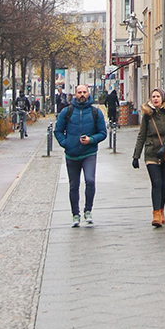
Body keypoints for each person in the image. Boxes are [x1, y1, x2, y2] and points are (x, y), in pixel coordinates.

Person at [54, 84, 107, 227]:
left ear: (88, 94)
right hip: (72, 155)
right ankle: (75, 214)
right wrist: (66, 143)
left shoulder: (96, 112)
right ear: (75, 95)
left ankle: (88, 210)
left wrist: (91, 140)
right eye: (79, 92)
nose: (82, 94)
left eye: (84, 92)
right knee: (74, 185)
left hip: (89, 153)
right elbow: (57, 131)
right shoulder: (67, 112)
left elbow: (103, 133)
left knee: (90, 181)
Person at [132, 89, 165, 227]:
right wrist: (136, 156)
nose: (155, 99)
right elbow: (141, 136)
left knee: (163, 183)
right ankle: (156, 214)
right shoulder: (147, 115)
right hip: (151, 152)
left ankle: (162, 210)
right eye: (153, 96)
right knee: (156, 182)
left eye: (158, 96)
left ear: (162, 98)